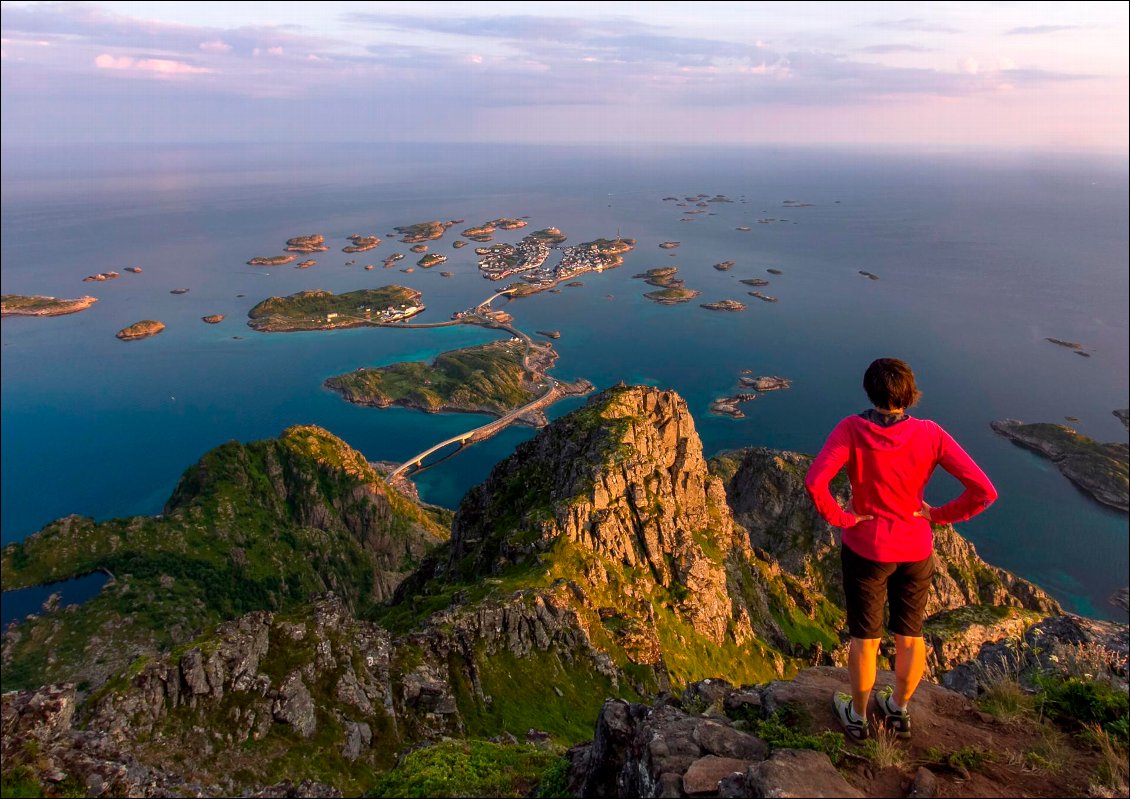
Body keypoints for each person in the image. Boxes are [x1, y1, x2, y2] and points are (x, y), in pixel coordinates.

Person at [804, 358, 997, 741]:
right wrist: (938, 515)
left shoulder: (851, 429)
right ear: (909, 394)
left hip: (866, 549)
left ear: (870, 391)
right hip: (915, 548)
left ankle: (857, 716)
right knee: (910, 635)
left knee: (865, 637)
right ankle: (899, 709)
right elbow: (984, 491)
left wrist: (843, 518)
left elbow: (815, 482)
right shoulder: (930, 434)